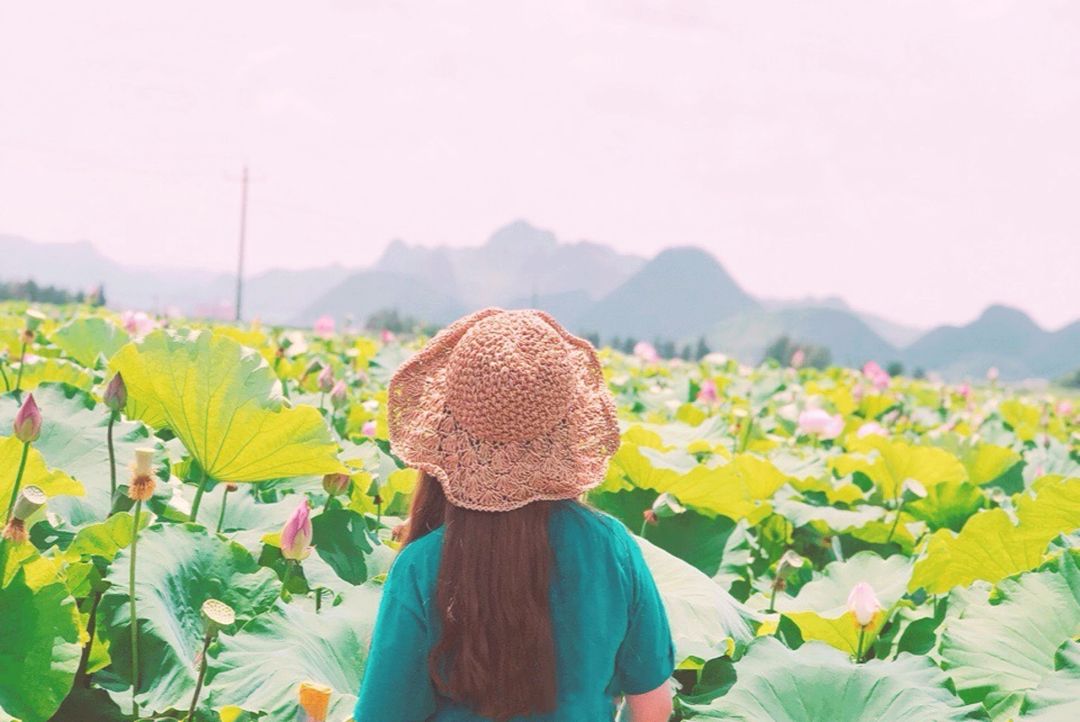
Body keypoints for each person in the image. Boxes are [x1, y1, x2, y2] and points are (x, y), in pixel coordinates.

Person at [355, 308, 676, 722]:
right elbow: (652, 708)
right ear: (567, 430)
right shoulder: (614, 549)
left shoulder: (422, 566)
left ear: (444, 432)